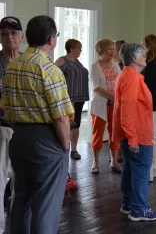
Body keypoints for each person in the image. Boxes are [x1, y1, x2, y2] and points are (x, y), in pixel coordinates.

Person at [2, 15, 74, 234]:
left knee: (21, 197)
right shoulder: (50, 69)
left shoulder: (12, 66)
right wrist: (65, 145)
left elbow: (6, 106)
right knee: (46, 205)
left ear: (26, 38)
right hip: (46, 140)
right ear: (51, 40)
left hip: (19, 137)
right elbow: (61, 117)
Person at [112, 43, 156, 222]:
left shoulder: (127, 75)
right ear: (134, 59)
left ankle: (128, 204)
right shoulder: (132, 78)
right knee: (140, 170)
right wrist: (133, 137)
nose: (145, 58)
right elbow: (128, 109)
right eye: (142, 55)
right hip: (138, 134)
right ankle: (139, 209)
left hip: (131, 132)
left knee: (130, 168)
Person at [0, 16, 23, 232]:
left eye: (14, 33)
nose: (10, 37)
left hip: (26, 131)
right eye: (5, 33)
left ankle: (18, 226)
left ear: (22, 36)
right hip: (1, 129)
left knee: (23, 184)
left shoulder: (29, 63)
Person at [90, 38, 121, 174]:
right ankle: (95, 161)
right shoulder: (95, 66)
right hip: (100, 104)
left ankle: (113, 160)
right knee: (98, 133)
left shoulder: (116, 64)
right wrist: (112, 97)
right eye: (109, 49)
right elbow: (96, 87)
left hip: (115, 104)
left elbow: (120, 82)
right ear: (101, 50)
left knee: (114, 133)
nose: (112, 51)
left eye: (113, 49)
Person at [55, 39, 89, 160]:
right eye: (79, 48)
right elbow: (53, 76)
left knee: (76, 125)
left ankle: (74, 150)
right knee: (66, 125)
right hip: (68, 100)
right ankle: (64, 149)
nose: (80, 51)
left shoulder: (78, 62)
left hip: (80, 99)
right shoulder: (62, 60)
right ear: (72, 48)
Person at [141, 34, 156, 182]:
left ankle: (150, 171)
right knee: (152, 137)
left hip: (152, 104)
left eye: (143, 44)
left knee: (149, 137)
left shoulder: (153, 64)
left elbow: (147, 85)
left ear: (149, 46)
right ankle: (155, 169)